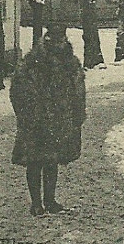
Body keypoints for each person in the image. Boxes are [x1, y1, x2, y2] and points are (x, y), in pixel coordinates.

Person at [10, 24, 86, 216]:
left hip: (59, 120)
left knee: (52, 161)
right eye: (54, 40)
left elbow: (78, 90)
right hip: (36, 121)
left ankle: (50, 201)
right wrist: (27, 113)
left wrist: (77, 114)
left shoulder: (70, 62)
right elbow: (17, 89)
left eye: (61, 40)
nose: (58, 43)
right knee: (35, 161)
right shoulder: (33, 61)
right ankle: (36, 203)